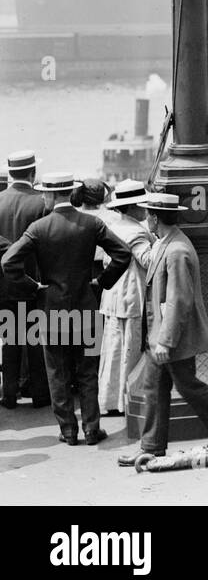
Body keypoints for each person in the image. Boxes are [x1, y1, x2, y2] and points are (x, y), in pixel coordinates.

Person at [2, 172, 132, 445]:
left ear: (49, 195)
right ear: (70, 193)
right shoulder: (91, 223)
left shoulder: (38, 228)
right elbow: (123, 254)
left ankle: (68, 431)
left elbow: (9, 262)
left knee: (57, 371)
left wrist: (34, 287)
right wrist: (99, 284)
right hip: (86, 306)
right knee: (87, 370)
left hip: (51, 309)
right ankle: (92, 428)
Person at [117, 193, 208, 464]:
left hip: (171, 337)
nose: (147, 219)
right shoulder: (169, 242)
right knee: (156, 387)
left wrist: (165, 341)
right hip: (162, 335)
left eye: (148, 215)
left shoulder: (176, 250)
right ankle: (151, 446)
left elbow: (178, 300)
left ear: (154, 218)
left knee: (187, 386)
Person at [97, 180, 153, 416]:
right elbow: (148, 261)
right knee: (131, 347)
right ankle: (126, 398)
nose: (145, 209)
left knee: (112, 348)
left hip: (112, 294)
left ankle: (108, 399)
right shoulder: (138, 232)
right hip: (131, 294)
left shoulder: (112, 227)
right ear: (132, 207)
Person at [0, 149, 50, 410]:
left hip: (5, 285)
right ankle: (40, 395)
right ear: (32, 173)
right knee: (34, 340)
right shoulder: (41, 203)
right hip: (34, 283)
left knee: (10, 341)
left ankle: (9, 395)